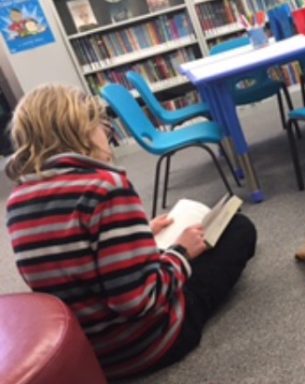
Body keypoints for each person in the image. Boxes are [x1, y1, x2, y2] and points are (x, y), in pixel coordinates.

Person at [4, 84, 257, 379]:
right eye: (101, 125)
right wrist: (181, 252)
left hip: (88, 348)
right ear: (81, 130)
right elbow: (137, 300)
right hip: (146, 343)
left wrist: (140, 235)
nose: (107, 135)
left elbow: (72, 260)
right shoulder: (104, 188)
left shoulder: (17, 200)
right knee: (238, 229)